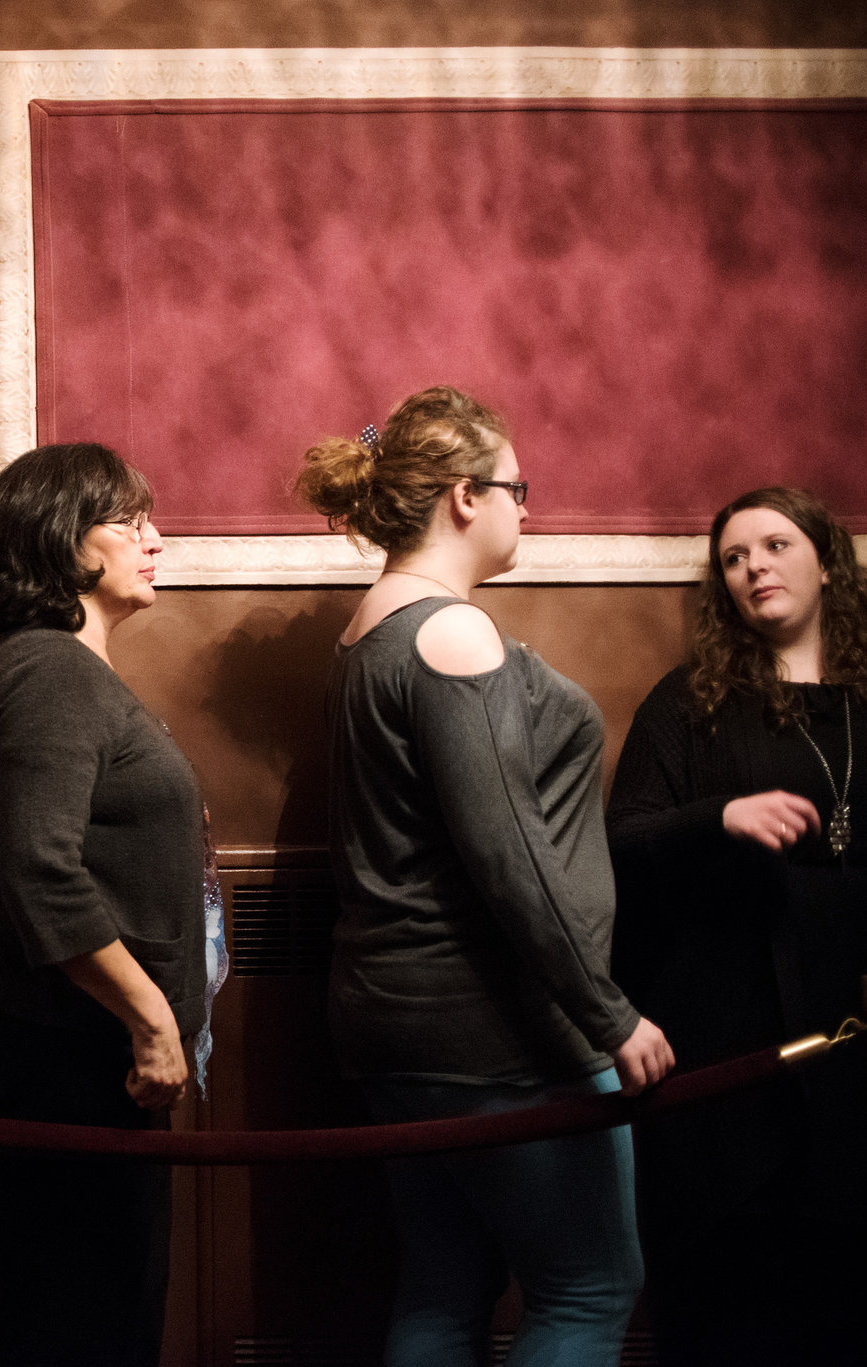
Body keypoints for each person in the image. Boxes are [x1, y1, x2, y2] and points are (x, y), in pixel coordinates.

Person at [297, 387, 675, 1367]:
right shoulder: (446, 631)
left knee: (442, 1278)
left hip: (393, 1026)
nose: (525, 507)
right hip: (493, 1034)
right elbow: (507, 858)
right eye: (516, 487)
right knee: (588, 1286)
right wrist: (608, 1015)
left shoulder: (367, 629)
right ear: (464, 496)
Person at [0, 442, 211, 1367]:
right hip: (61, 1054)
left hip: (80, 1053)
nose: (156, 539)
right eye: (129, 521)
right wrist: (152, 1022)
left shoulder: (63, 668)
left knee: (98, 1315)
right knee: (85, 1326)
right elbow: (40, 871)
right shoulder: (51, 667)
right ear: (65, 541)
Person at [607, 486, 867, 1367]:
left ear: (827, 561)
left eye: (775, 544)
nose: (755, 565)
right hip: (733, 1049)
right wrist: (718, 817)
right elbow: (623, 840)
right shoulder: (690, 702)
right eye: (733, 557)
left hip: (853, 1044)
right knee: (734, 1300)